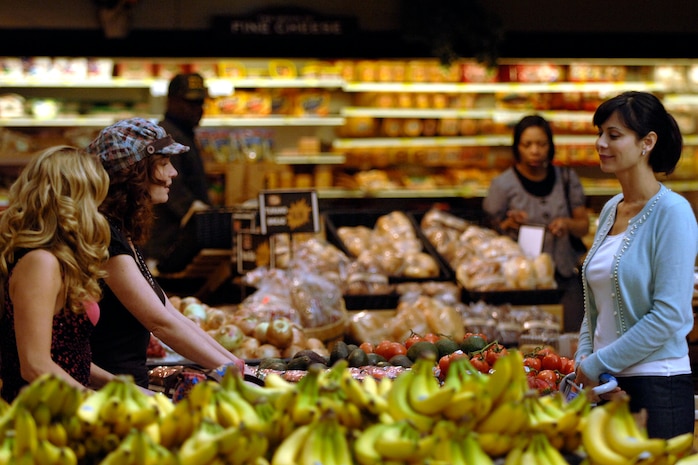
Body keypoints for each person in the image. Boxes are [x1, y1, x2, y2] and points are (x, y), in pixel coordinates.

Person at [86, 117, 244, 389]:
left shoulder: (121, 231)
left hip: (131, 389)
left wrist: (235, 365)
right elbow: (159, 323)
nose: (173, 173)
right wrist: (228, 371)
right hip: (112, 396)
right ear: (134, 173)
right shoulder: (105, 237)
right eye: (163, 164)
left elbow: (169, 312)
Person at [575, 91, 698, 439]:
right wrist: (586, 359)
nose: (601, 143)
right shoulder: (611, 209)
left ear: (647, 142)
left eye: (614, 135)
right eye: (600, 133)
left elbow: (671, 314)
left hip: (658, 386)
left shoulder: (672, 213)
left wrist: (597, 362)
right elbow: (595, 303)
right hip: (607, 385)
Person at [0, 146, 116, 401]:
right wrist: (99, 403)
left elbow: (66, 353)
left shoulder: (56, 260)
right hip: (39, 416)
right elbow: (35, 365)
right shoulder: (40, 263)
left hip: (65, 405)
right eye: (96, 199)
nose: (100, 211)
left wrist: (117, 385)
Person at [483, 114, 590, 333]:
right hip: (518, 284)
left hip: (564, 278)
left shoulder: (567, 179)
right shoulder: (502, 185)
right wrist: (508, 223)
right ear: (517, 147)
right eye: (527, 144)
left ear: (550, 146)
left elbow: (584, 225)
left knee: (570, 335)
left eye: (541, 144)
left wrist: (567, 224)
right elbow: (488, 235)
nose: (535, 150)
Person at [143, 72, 212, 273]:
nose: (197, 110)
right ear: (171, 101)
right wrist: (202, 215)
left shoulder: (182, 134)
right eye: (190, 103)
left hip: (175, 244)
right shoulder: (165, 135)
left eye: (200, 103)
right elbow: (175, 193)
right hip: (167, 244)